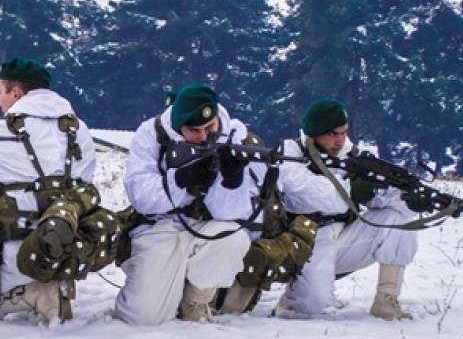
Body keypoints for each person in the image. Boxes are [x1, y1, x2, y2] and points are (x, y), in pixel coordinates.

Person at [0, 57, 100, 325]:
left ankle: (33, 294)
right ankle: (54, 287)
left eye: (0, 93)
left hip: (17, 256)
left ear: (16, 93)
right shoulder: (79, 132)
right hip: (64, 253)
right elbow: (83, 185)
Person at [113, 84, 261, 326]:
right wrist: (181, 180)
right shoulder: (151, 134)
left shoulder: (234, 136)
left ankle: (196, 299)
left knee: (232, 238)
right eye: (194, 130)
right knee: (143, 318)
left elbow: (233, 215)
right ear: (178, 125)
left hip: (207, 227)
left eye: (209, 127)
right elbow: (140, 196)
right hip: (159, 226)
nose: (203, 137)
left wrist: (231, 181)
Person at [273, 97, 426, 320]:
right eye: (332, 134)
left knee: (400, 215)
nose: (340, 140)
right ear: (314, 133)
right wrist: (353, 191)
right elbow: (302, 193)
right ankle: (293, 296)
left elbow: (380, 191)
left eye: (344, 132)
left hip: (346, 235)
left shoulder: (353, 155)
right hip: (305, 241)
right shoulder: (291, 152)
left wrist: (407, 197)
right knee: (312, 306)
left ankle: (386, 300)